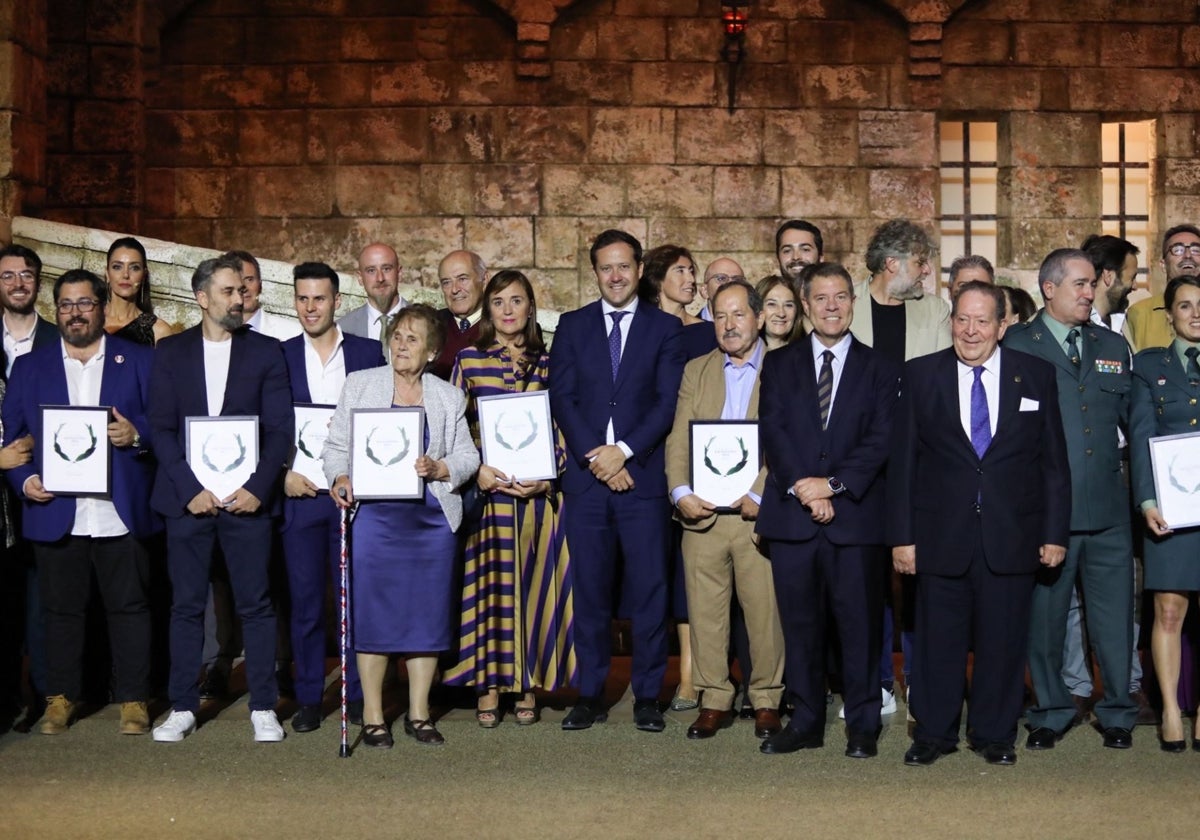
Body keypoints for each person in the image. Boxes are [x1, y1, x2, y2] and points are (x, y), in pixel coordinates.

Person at [889, 281, 1070, 766]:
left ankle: (994, 735)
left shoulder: (1035, 375)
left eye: (982, 320)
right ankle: (934, 734)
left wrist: (1054, 534)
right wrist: (902, 538)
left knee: (1003, 642)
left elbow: (1053, 463)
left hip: (1012, 537)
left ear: (1002, 325)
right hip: (939, 537)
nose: (971, 331)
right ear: (951, 322)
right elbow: (903, 464)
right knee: (936, 644)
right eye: (962, 319)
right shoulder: (920, 375)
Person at [2, 269, 158, 736]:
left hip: (120, 508)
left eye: (85, 303)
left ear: (102, 306)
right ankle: (60, 698)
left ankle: (134, 698)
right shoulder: (31, 367)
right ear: (57, 310)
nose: (75, 313)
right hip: (56, 509)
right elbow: (13, 439)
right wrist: (25, 481)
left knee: (130, 608)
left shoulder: (138, 360)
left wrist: (137, 435)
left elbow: (163, 425)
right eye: (66, 305)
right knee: (60, 610)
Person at [756, 263, 900, 758]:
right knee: (800, 627)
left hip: (856, 521)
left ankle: (863, 723)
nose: (832, 306)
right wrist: (805, 488)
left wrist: (833, 486)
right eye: (821, 298)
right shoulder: (779, 364)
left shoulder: (881, 367)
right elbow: (774, 432)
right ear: (806, 304)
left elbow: (882, 439)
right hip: (794, 521)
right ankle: (806, 721)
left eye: (841, 297)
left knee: (859, 627)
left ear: (853, 303)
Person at [148, 253, 293, 744]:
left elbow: (280, 430)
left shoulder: (267, 352)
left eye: (242, 291)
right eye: (229, 292)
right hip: (187, 502)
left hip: (247, 502)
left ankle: (263, 706)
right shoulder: (170, 353)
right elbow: (161, 429)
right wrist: (190, 490)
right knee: (186, 607)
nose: (240, 298)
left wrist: (257, 488)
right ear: (202, 297)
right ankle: (183, 706)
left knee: (256, 604)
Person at [323, 304, 479, 748]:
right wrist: (340, 476)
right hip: (375, 520)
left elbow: (469, 457)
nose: (401, 345)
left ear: (431, 351)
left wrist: (441, 466)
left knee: (426, 615)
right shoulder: (361, 384)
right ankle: (373, 714)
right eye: (397, 337)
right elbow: (335, 447)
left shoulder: (447, 396)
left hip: (431, 521)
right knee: (374, 614)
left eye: (413, 339)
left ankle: (419, 712)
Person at [549, 229, 686, 732]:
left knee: (650, 591)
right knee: (590, 592)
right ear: (595, 272)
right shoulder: (572, 325)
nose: (615, 276)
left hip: (642, 480)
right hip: (588, 483)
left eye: (623, 266)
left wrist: (624, 452)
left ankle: (648, 694)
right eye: (605, 267)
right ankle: (591, 692)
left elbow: (666, 401)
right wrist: (597, 458)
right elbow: (561, 397)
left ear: (638, 267)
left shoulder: (664, 328)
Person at [1004, 248, 1138, 751]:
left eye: (1092, 284)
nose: (1089, 292)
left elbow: (1132, 421)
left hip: (1108, 509)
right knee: (1045, 621)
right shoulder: (1018, 343)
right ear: (1049, 288)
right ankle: (1050, 709)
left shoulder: (1110, 343)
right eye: (1080, 284)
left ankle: (1119, 711)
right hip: (1047, 513)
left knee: (1114, 619)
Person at [443, 271, 575, 725]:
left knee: (534, 590)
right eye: (498, 301)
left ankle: (526, 685)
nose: (507, 310)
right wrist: (475, 469)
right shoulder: (469, 360)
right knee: (491, 592)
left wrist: (549, 477)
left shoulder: (550, 362)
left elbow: (565, 424)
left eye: (516, 301)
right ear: (488, 308)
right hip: (492, 499)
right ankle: (488, 684)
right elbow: (454, 429)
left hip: (538, 500)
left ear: (530, 308)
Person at [665, 280, 784, 742]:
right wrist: (679, 491)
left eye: (739, 315)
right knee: (705, 613)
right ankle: (713, 697)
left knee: (764, 614)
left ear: (758, 317)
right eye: (720, 316)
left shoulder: (782, 367)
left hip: (757, 514)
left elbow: (786, 440)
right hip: (703, 514)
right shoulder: (696, 370)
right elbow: (679, 437)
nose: (730, 325)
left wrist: (761, 492)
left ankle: (767, 699)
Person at [853, 219, 952, 718]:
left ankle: (917, 678)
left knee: (916, 578)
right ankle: (872, 682)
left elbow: (938, 387)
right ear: (892, 264)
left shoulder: (934, 310)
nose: (926, 272)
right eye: (920, 263)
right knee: (865, 578)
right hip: (859, 466)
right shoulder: (843, 305)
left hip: (917, 462)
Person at [279, 261, 384, 733]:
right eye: (302, 298)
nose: (310, 307)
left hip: (354, 497)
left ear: (337, 301)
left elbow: (383, 420)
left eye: (319, 298)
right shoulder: (277, 356)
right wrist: (281, 475)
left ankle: (358, 695)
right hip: (300, 496)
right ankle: (307, 697)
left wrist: (366, 474)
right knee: (304, 601)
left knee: (354, 600)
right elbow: (267, 425)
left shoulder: (367, 353)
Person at [639, 243, 712, 711]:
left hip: (701, 463)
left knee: (693, 572)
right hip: (649, 460)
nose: (690, 278)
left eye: (692, 271)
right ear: (658, 277)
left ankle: (692, 673)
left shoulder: (706, 333)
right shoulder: (642, 329)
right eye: (681, 270)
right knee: (657, 572)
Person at [1130, 274, 1200, 751]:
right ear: (1170, 314)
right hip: (1173, 510)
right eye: (1186, 306)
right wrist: (1148, 501)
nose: (1195, 313)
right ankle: (1172, 711)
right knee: (1169, 611)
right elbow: (1140, 436)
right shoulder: (1148, 366)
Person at [0, 244, 57, 732]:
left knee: (43, 596)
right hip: (1, 492)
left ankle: (43, 691)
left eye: (27, 275)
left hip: (50, 486)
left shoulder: (62, 339)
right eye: (8, 275)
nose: (18, 283)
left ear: (39, 282)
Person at [1123, 225, 1200, 353]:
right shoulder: (1139, 314)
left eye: (1196, 250)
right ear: (1163, 265)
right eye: (1178, 250)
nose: (1187, 255)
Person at [103, 237, 175, 344]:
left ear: (144, 276)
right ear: (107, 274)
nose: (126, 275)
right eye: (117, 267)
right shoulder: (88, 318)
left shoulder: (159, 331)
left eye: (134, 268)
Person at [430, 250, 488, 380]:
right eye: (446, 282)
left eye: (462, 279)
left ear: (484, 279)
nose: (455, 289)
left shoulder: (504, 325)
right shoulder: (431, 324)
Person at [337, 242, 408, 344]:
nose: (380, 278)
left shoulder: (425, 323)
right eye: (371, 271)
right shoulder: (342, 330)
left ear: (399, 273)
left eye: (386, 269)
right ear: (360, 278)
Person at [229, 250, 301, 341]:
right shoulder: (213, 335)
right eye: (237, 280)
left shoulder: (293, 333)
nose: (244, 287)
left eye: (249, 279)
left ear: (260, 285)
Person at [1081, 234, 1139, 332]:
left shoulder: (1124, 324)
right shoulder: (1079, 328)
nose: (1135, 286)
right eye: (1132, 278)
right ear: (1108, 276)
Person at [756, 275, 803, 349]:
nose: (781, 314)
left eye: (788, 305)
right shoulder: (745, 355)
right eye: (772, 304)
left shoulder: (806, 354)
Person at [776, 220, 824, 286]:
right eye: (787, 251)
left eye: (805, 250)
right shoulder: (762, 295)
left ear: (820, 257)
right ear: (778, 258)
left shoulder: (835, 294)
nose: (796, 257)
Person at [698, 257, 746, 323]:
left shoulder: (753, 328)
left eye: (737, 280)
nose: (730, 284)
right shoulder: (688, 330)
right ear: (705, 291)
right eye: (721, 279)